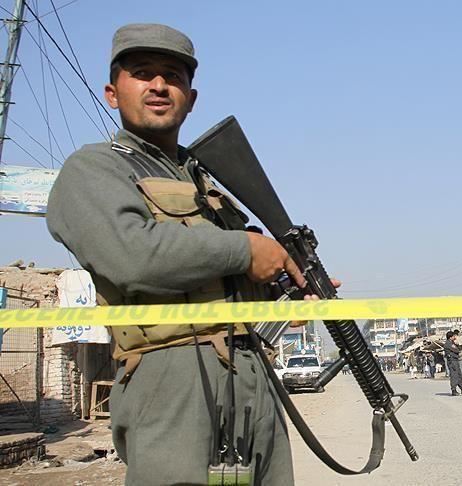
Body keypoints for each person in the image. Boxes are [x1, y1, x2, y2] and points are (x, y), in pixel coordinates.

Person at [46, 24, 323, 484]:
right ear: (113, 94)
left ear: (191, 99)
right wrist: (245, 248)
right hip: (171, 374)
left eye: (172, 76)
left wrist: (283, 289)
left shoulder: (205, 180)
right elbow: (132, 256)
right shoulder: (94, 169)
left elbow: (221, 281)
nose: (159, 85)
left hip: (250, 369)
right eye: (143, 73)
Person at [443, 331, 462, 396]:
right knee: (454, 375)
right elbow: (457, 350)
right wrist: (457, 345)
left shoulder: (452, 343)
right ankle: (454, 390)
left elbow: (458, 349)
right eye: (453, 336)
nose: (455, 337)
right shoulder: (448, 344)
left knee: (459, 375)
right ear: (450, 337)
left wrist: (457, 344)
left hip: (455, 360)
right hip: (452, 361)